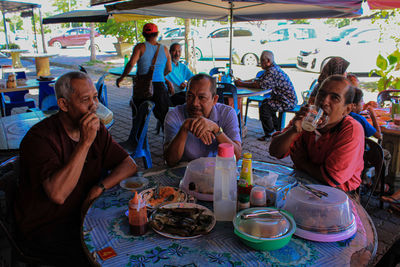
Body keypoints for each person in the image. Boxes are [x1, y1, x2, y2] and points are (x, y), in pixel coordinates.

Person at [14, 72, 137, 265]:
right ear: (63, 105)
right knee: (110, 256)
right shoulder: (39, 139)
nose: (94, 106)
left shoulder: (97, 130)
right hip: (48, 228)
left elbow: (129, 165)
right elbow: (58, 194)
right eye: (85, 100)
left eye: (95, 97)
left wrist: (99, 188)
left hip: (87, 213)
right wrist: (84, 143)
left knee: (136, 231)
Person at [269, 75, 364, 192]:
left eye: (334, 98)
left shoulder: (351, 130)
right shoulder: (307, 119)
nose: (324, 102)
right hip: (302, 184)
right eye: (322, 94)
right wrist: (293, 130)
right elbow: (274, 151)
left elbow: (331, 179)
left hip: (338, 194)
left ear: (347, 109)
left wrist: (302, 163)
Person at [164, 74, 241, 166]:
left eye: (202, 98)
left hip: (217, 171)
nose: (195, 103)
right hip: (185, 173)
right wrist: (185, 128)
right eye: (190, 96)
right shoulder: (174, 115)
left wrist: (216, 130)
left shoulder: (227, 113)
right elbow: (170, 160)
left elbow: (236, 156)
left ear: (214, 100)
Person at [117, 23, 172, 142]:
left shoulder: (140, 47)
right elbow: (169, 69)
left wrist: (122, 78)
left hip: (143, 87)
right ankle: (168, 143)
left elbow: (131, 64)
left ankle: (137, 142)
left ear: (144, 34)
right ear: (157, 34)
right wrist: (160, 76)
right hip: (159, 87)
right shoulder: (165, 49)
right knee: (164, 118)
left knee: (139, 116)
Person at [234, 50, 297, 141]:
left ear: (268, 61)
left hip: (287, 101)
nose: (260, 63)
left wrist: (242, 84)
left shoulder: (272, 71)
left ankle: (270, 133)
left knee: (265, 107)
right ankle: (276, 130)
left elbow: (260, 85)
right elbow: (257, 80)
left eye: (262, 61)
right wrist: (243, 82)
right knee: (266, 104)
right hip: (282, 99)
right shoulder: (272, 69)